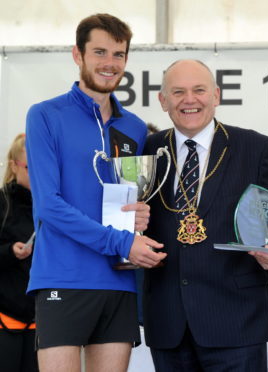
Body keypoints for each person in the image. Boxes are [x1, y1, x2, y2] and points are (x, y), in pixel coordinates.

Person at [25, 13, 166, 372]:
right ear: (78, 54)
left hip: (118, 280)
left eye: (118, 54)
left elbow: (127, 199)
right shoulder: (45, 115)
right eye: (99, 52)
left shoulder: (133, 127)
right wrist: (122, 242)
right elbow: (49, 207)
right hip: (62, 277)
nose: (109, 63)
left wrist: (139, 217)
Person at [142, 59, 268, 371]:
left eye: (199, 90)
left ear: (216, 95)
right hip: (168, 322)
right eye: (178, 92)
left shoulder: (253, 147)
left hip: (236, 322)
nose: (190, 100)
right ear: (163, 100)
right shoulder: (149, 149)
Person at [0, 133, 38, 371]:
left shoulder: (51, 205)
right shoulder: (2, 203)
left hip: (43, 319)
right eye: (28, 166)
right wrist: (9, 252)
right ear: (14, 166)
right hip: (5, 319)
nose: (36, 172)